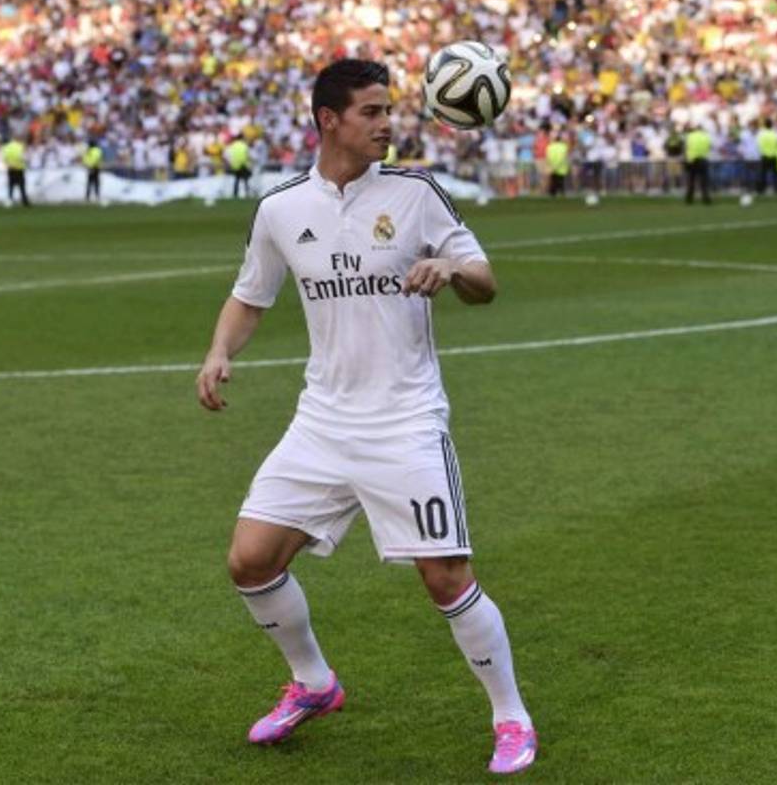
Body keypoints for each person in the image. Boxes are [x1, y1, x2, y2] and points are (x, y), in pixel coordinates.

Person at [195, 59, 537, 776]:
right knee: (249, 561)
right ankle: (315, 684)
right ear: (330, 120)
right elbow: (250, 295)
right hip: (321, 420)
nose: (389, 123)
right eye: (373, 112)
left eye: (389, 110)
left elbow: (486, 281)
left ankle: (511, 717)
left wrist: (450, 271)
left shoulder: (415, 195)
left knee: (446, 576)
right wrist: (219, 350)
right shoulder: (282, 209)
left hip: (404, 421)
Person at [683, 125, 712, 204]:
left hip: (692, 160)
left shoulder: (690, 136)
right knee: (704, 181)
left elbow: (686, 147)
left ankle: (689, 199)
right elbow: (709, 146)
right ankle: (706, 199)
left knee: (691, 180)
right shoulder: (706, 136)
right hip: (703, 159)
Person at [2, 137, 31, 207]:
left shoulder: (6, 147)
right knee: (22, 186)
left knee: (11, 186)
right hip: (19, 168)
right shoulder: (20, 147)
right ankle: (24, 201)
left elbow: (4, 158)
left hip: (11, 168)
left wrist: (9, 164)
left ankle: (9, 200)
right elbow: (23, 157)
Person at [756, 118, 777, 195]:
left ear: (765, 125)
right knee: (775, 175)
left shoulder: (762, 134)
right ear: (771, 125)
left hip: (765, 156)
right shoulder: (775, 134)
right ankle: (776, 190)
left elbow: (759, 145)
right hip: (774, 156)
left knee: (763, 174)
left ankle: (761, 190)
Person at [545, 131, 570, 197]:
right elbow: (564, 156)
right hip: (561, 167)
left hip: (552, 166)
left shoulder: (550, 146)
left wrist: (551, 165)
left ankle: (553, 193)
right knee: (561, 181)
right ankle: (562, 193)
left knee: (553, 181)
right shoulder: (564, 146)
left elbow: (548, 157)